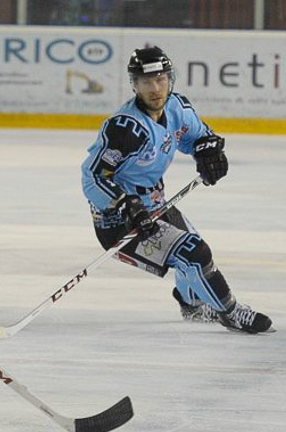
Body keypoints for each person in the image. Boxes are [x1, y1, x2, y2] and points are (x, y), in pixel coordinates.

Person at [81, 46, 272, 334]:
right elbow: (92, 177)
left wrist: (208, 154)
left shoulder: (177, 108)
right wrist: (124, 205)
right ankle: (231, 313)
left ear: (171, 79)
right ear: (134, 85)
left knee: (192, 246)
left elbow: (200, 137)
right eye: (146, 82)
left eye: (160, 79)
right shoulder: (126, 129)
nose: (155, 88)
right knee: (195, 253)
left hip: (155, 205)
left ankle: (192, 305)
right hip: (119, 221)